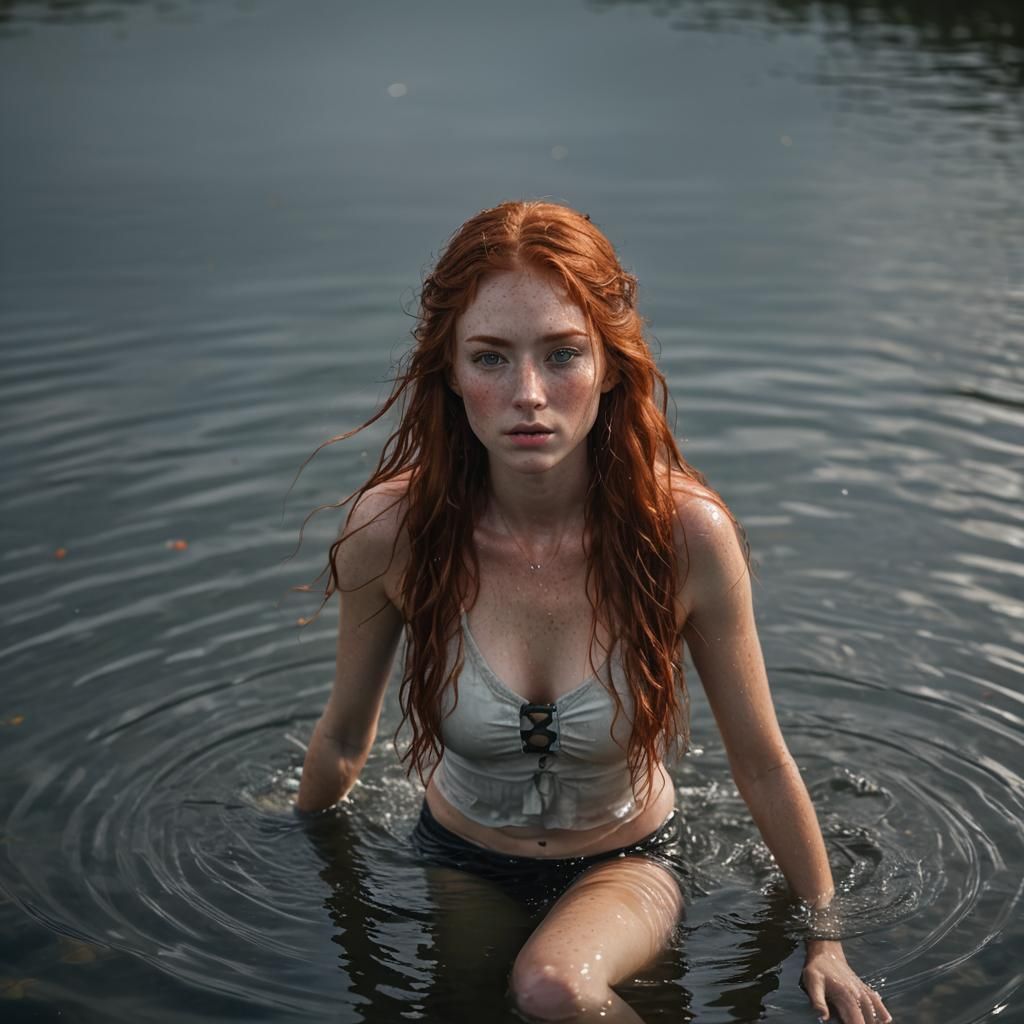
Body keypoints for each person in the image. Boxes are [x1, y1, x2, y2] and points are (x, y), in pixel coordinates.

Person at [295, 200, 893, 1024]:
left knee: (553, 987)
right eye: (491, 358)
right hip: (457, 856)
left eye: (562, 353)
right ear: (449, 372)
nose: (529, 395)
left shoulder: (684, 536)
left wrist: (825, 937)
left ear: (611, 363)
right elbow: (342, 737)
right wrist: (301, 853)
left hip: (630, 859)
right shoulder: (393, 534)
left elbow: (759, 761)